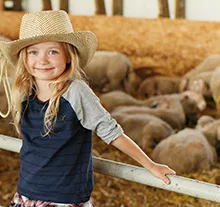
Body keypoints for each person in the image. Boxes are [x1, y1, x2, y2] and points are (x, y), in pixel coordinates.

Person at [0, 10, 176, 207]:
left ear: (68, 56)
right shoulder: (25, 93)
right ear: (24, 58)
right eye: (34, 52)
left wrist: (150, 165)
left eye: (53, 51)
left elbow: (112, 132)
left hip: (64, 200)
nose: (42, 60)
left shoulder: (76, 92)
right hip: (27, 194)